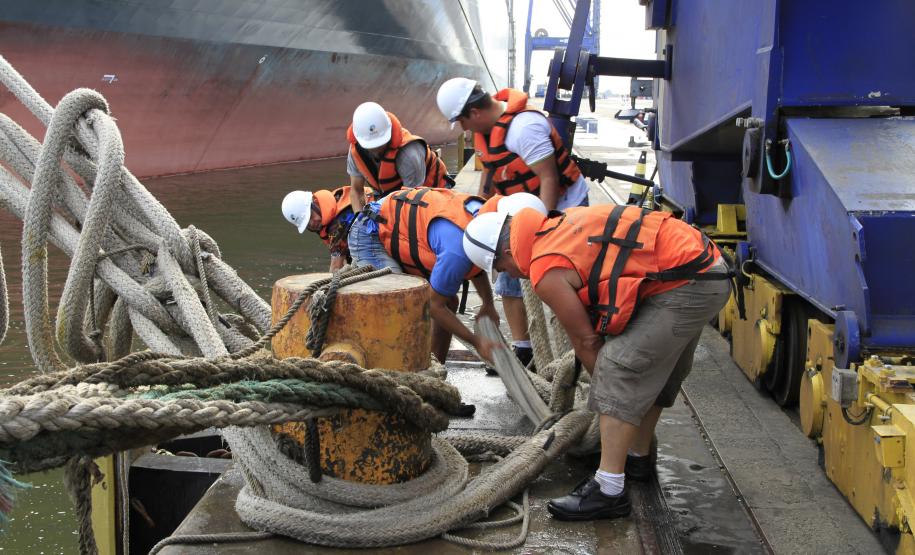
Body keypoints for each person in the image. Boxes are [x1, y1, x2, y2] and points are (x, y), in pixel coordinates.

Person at [463, 204, 732, 521]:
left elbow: (587, 342)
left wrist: (609, 395)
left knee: (619, 369)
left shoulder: (545, 269)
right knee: (655, 369)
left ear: (507, 250)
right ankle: (637, 458)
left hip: (688, 282)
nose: (508, 273)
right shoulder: (559, 225)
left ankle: (609, 490)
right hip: (706, 265)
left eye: (502, 267)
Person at [436, 77, 589, 368]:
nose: (464, 129)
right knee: (506, 274)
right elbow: (491, 168)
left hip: (562, 206)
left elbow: (549, 180)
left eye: (462, 122)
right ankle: (524, 350)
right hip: (520, 206)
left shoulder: (524, 128)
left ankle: (576, 351)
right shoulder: (488, 131)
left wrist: (542, 229)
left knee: (560, 277)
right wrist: (481, 206)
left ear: (475, 113)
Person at [360, 188, 544, 363]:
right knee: (400, 305)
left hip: (406, 220)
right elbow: (433, 305)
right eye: (504, 269)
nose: (510, 273)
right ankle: (394, 371)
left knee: (447, 301)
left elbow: (476, 259)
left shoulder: (484, 221)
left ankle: (435, 373)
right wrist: (477, 342)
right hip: (372, 228)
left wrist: (488, 303)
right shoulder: (457, 250)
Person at [345, 101, 453, 272]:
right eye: (371, 146)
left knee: (422, 250)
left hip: (426, 197)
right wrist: (361, 221)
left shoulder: (408, 153)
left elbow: (414, 203)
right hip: (392, 197)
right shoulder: (355, 152)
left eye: (380, 144)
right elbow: (356, 190)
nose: (376, 149)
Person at [280, 186, 375, 270]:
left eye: (310, 216)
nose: (313, 223)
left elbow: (335, 269)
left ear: (315, 202)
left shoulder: (340, 223)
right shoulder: (333, 201)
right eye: (307, 224)